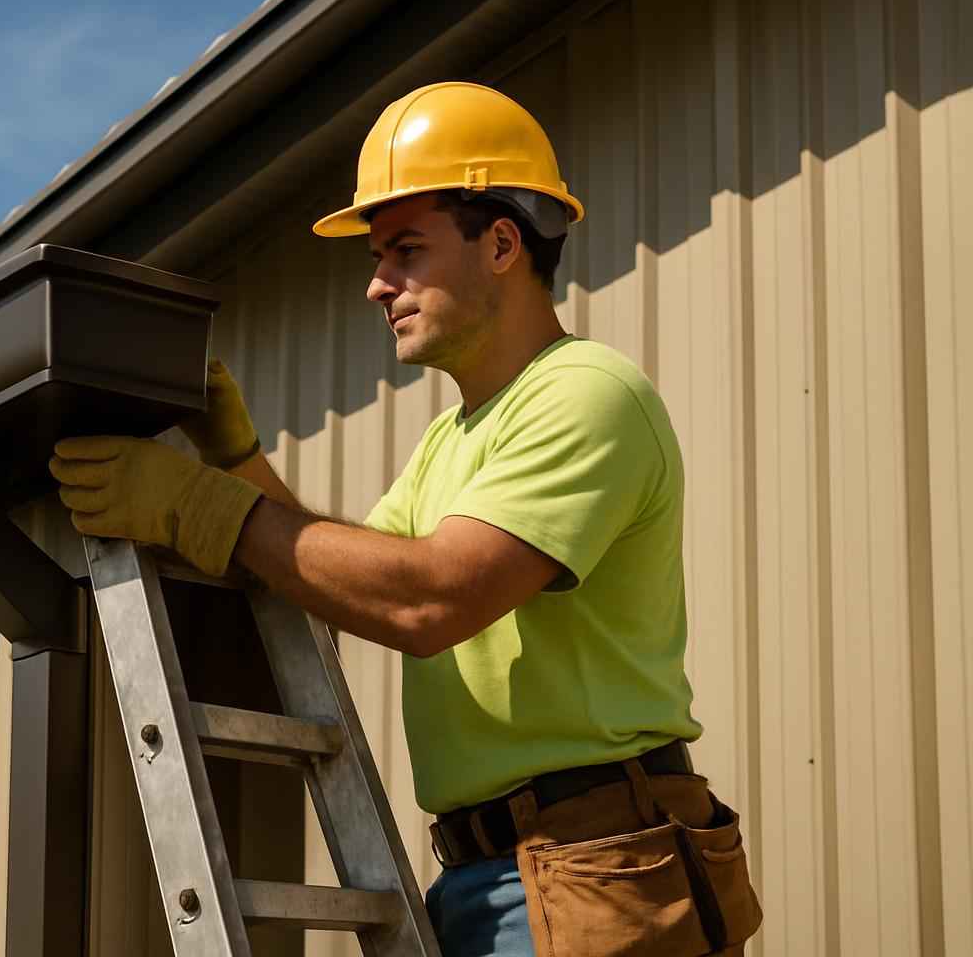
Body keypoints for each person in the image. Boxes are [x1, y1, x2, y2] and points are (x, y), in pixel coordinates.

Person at [49, 82, 762, 956]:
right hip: (492, 875)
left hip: (592, 864)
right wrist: (236, 461)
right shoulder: (450, 441)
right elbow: (343, 579)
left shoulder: (588, 394)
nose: (377, 285)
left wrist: (199, 504)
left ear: (501, 244)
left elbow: (429, 600)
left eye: (407, 251)